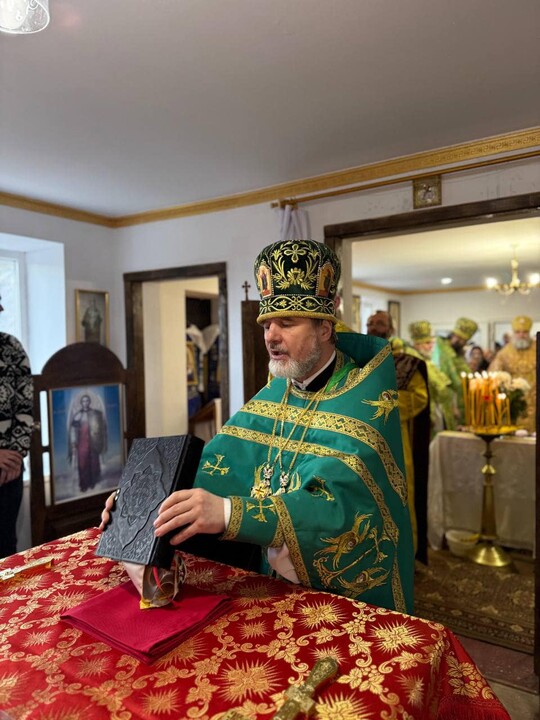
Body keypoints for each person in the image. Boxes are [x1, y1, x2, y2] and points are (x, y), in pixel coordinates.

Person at [102, 240, 414, 613]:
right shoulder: (277, 392)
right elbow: (218, 467)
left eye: (287, 322)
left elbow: (341, 510)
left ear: (325, 326)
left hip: (337, 603)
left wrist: (230, 514)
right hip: (266, 587)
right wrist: (141, 499)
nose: (270, 336)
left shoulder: (361, 400)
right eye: (267, 324)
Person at [366, 310, 430, 564]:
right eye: (370, 323)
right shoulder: (356, 360)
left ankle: (403, 556)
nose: (374, 327)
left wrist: (380, 403)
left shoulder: (407, 363)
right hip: (362, 440)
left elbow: (419, 398)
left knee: (399, 494)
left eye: (380, 323)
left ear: (391, 329)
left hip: (396, 439)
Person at [0, 297, 34, 557]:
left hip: (8, 471)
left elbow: (25, 408)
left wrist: (14, 456)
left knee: (6, 546)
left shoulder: (12, 347)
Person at [489, 315, 536, 433]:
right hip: (514, 400)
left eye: (525, 332)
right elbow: (494, 374)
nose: (521, 335)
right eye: (518, 332)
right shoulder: (504, 353)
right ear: (513, 333)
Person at [406, 320, 454, 436]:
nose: (431, 346)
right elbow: (439, 387)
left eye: (432, 343)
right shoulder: (415, 360)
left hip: (434, 407)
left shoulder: (426, 360)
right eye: (427, 343)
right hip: (424, 410)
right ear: (417, 345)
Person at [432, 317, 478, 427]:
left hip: (458, 400)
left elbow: (464, 373)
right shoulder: (441, 349)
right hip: (444, 399)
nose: (462, 343)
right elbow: (448, 378)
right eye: (461, 339)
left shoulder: (457, 353)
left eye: (465, 341)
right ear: (455, 335)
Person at [69, 393, 107, 491]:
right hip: (82, 443)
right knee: (83, 463)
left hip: (93, 442)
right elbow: (73, 430)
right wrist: (73, 442)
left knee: (93, 462)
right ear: (81, 403)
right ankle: (84, 485)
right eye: (83, 401)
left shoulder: (95, 413)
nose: (85, 403)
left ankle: (93, 482)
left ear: (89, 402)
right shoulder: (78, 415)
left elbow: (100, 429)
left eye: (87, 401)